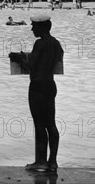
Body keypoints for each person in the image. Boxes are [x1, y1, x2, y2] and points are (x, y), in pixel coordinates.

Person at [9, 15, 63, 172]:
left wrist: (18, 58)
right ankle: (52, 161)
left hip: (38, 86)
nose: (32, 28)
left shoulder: (40, 43)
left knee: (39, 125)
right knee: (51, 124)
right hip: (50, 85)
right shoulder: (56, 43)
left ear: (42, 27)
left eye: (34, 26)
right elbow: (58, 59)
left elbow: (31, 66)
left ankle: (40, 162)